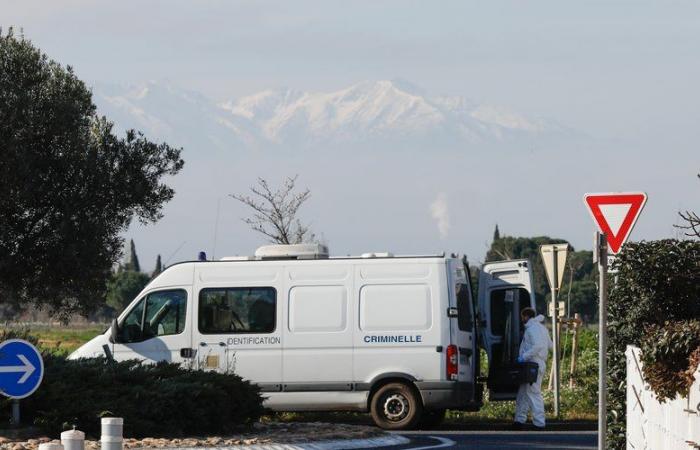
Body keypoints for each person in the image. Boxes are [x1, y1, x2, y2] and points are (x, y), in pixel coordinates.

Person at [513, 307, 553, 430]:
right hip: (537, 364)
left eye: (522, 317)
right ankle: (519, 420)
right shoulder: (542, 328)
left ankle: (539, 422)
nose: (522, 320)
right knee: (523, 392)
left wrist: (523, 356)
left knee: (533, 392)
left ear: (525, 316)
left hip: (532, 364)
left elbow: (538, 346)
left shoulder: (531, 329)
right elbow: (550, 346)